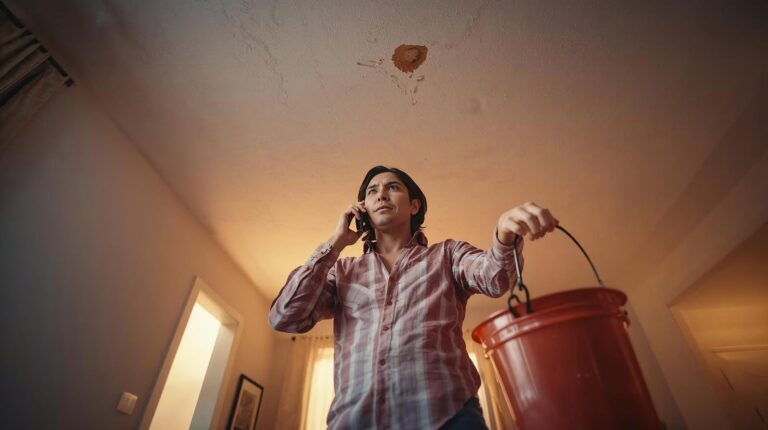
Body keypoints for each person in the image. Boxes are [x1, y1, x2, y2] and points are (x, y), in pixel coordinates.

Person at [269, 166, 559, 429]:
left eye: (392, 187)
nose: (381, 193)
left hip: (450, 417)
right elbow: (285, 317)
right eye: (372, 191)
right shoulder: (342, 271)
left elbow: (495, 278)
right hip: (355, 422)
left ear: (414, 205)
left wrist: (504, 232)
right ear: (363, 210)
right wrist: (335, 243)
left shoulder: (447, 254)